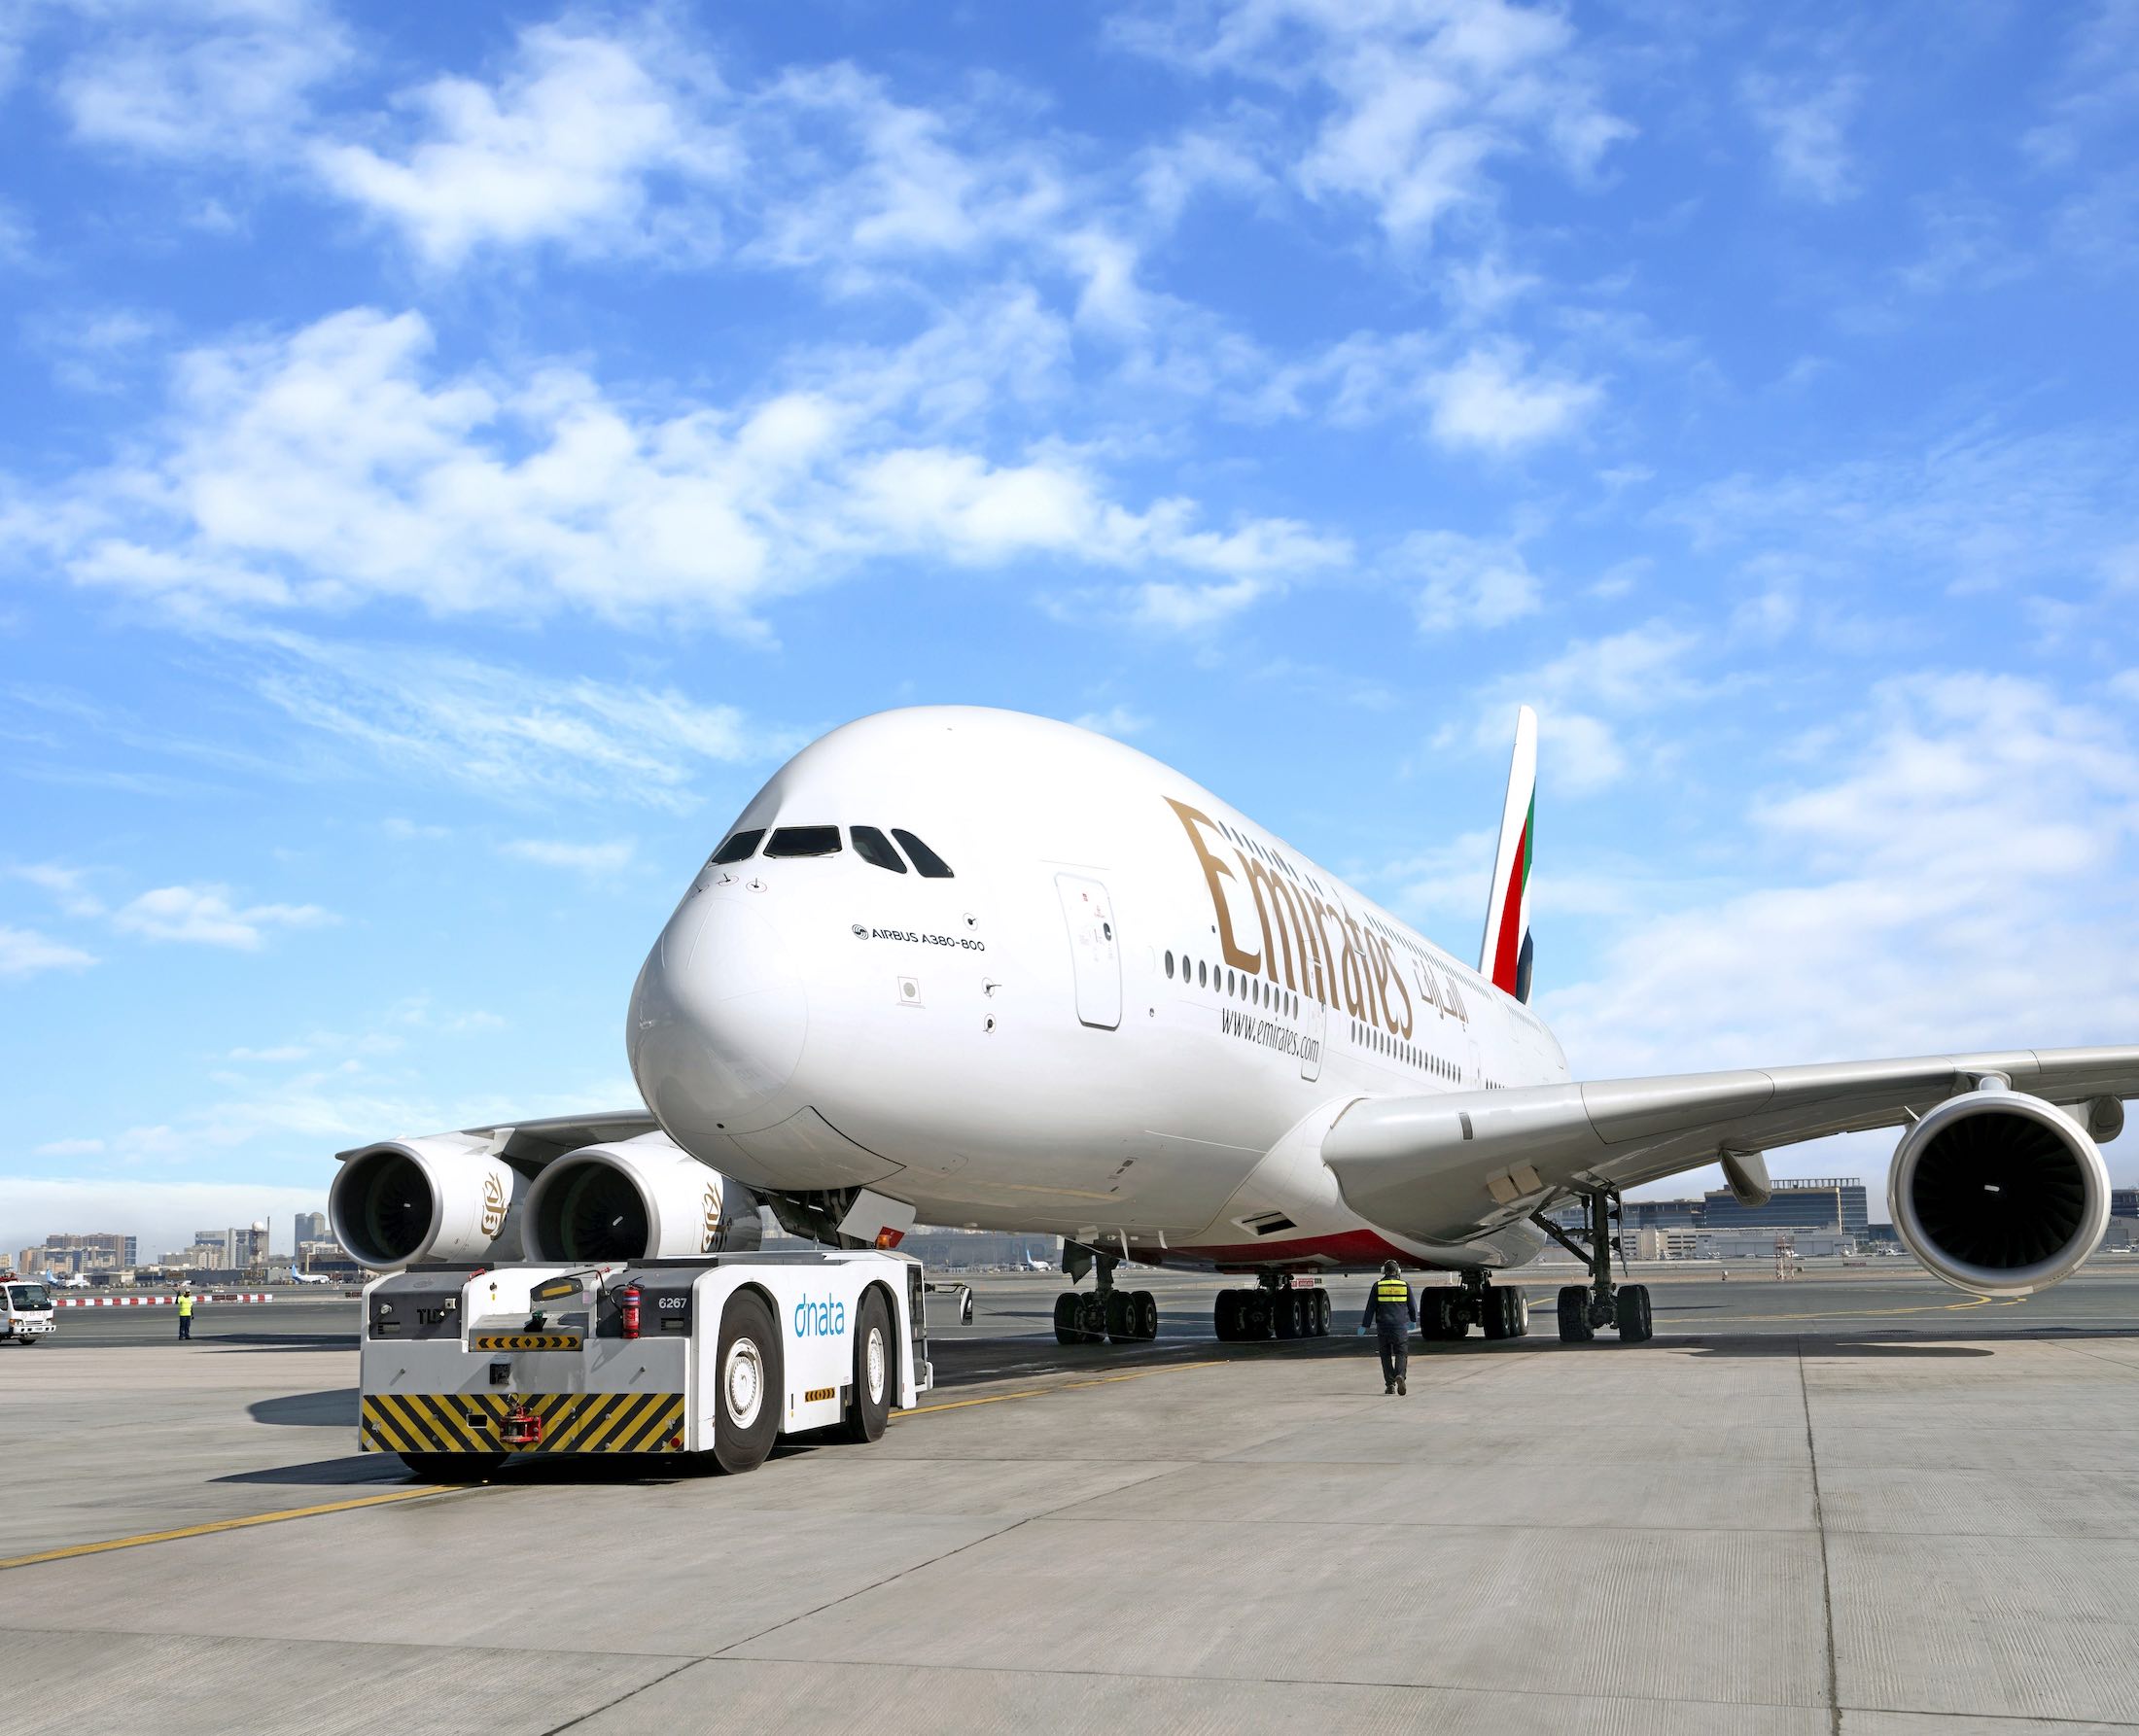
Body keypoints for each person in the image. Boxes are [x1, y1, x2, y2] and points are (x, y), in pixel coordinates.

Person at [1359, 1261, 1417, 1395]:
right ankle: (1400, 1375)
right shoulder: (1404, 1285)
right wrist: (1413, 1320)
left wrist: (1364, 1326)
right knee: (1401, 1353)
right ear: (1398, 1272)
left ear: (1383, 1271)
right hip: (1400, 1327)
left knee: (1385, 1356)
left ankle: (1390, 1385)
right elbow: (1412, 1306)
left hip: (1383, 1326)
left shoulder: (1377, 1286)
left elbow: (1370, 1308)